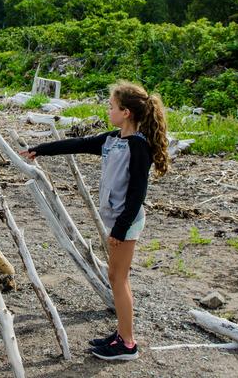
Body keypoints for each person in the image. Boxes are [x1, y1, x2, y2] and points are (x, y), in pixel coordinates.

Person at [20, 81, 169, 361]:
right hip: (118, 220)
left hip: (127, 221)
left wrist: (121, 229)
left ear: (126, 112)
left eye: (111, 106)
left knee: (118, 277)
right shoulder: (113, 139)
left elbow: (138, 192)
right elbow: (78, 144)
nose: (108, 109)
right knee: (115, 276)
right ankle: (121, 334)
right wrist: (40, 149)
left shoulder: (138, 146)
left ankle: (127, 344)